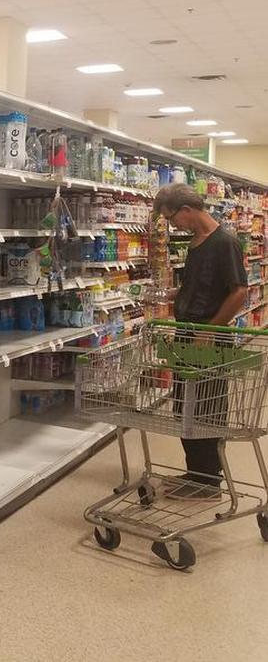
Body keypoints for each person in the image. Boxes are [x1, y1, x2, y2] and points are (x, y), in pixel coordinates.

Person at [153, 184, 248, 500]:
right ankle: (196, 474)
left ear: (186, 210)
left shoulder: (225, 243)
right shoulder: (195, 243)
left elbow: (239, 292)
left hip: (209, 341)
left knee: (206, 410)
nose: (171, 225)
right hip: (186, 337)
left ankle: (208, 482)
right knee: (184, 407)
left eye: (171, 218)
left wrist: (210, 329)